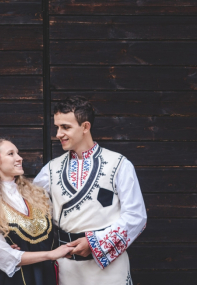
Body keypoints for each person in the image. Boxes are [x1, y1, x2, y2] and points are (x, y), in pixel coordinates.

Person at [33, 95, 147, 285]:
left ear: (85, 127)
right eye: (57, 127)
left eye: (66, 127)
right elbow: (26, 208)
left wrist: (95, 244)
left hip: (109, 271)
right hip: (67, 270)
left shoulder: (119, 165)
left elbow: (136, 217)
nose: (58, 134)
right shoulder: (50, 170)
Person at [0, 137, 76, 285]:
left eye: (18, 153)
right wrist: (50, 254)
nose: (19, 158)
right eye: (11, 154)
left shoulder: (38, 195)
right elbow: (5, 257)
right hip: (19, 279)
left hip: (49, 276)